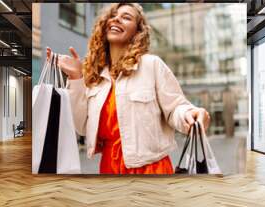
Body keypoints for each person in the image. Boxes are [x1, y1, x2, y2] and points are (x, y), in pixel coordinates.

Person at [47, 3, 210, 174]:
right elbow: (82, 127)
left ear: (137, 32)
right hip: (109, 169)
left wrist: (189, 114)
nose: (116, 19)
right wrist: (76, 77)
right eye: (113, 15)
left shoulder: (151, 65)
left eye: (126, 17)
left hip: (151, 170)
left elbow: (175, 108)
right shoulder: (95, 77)